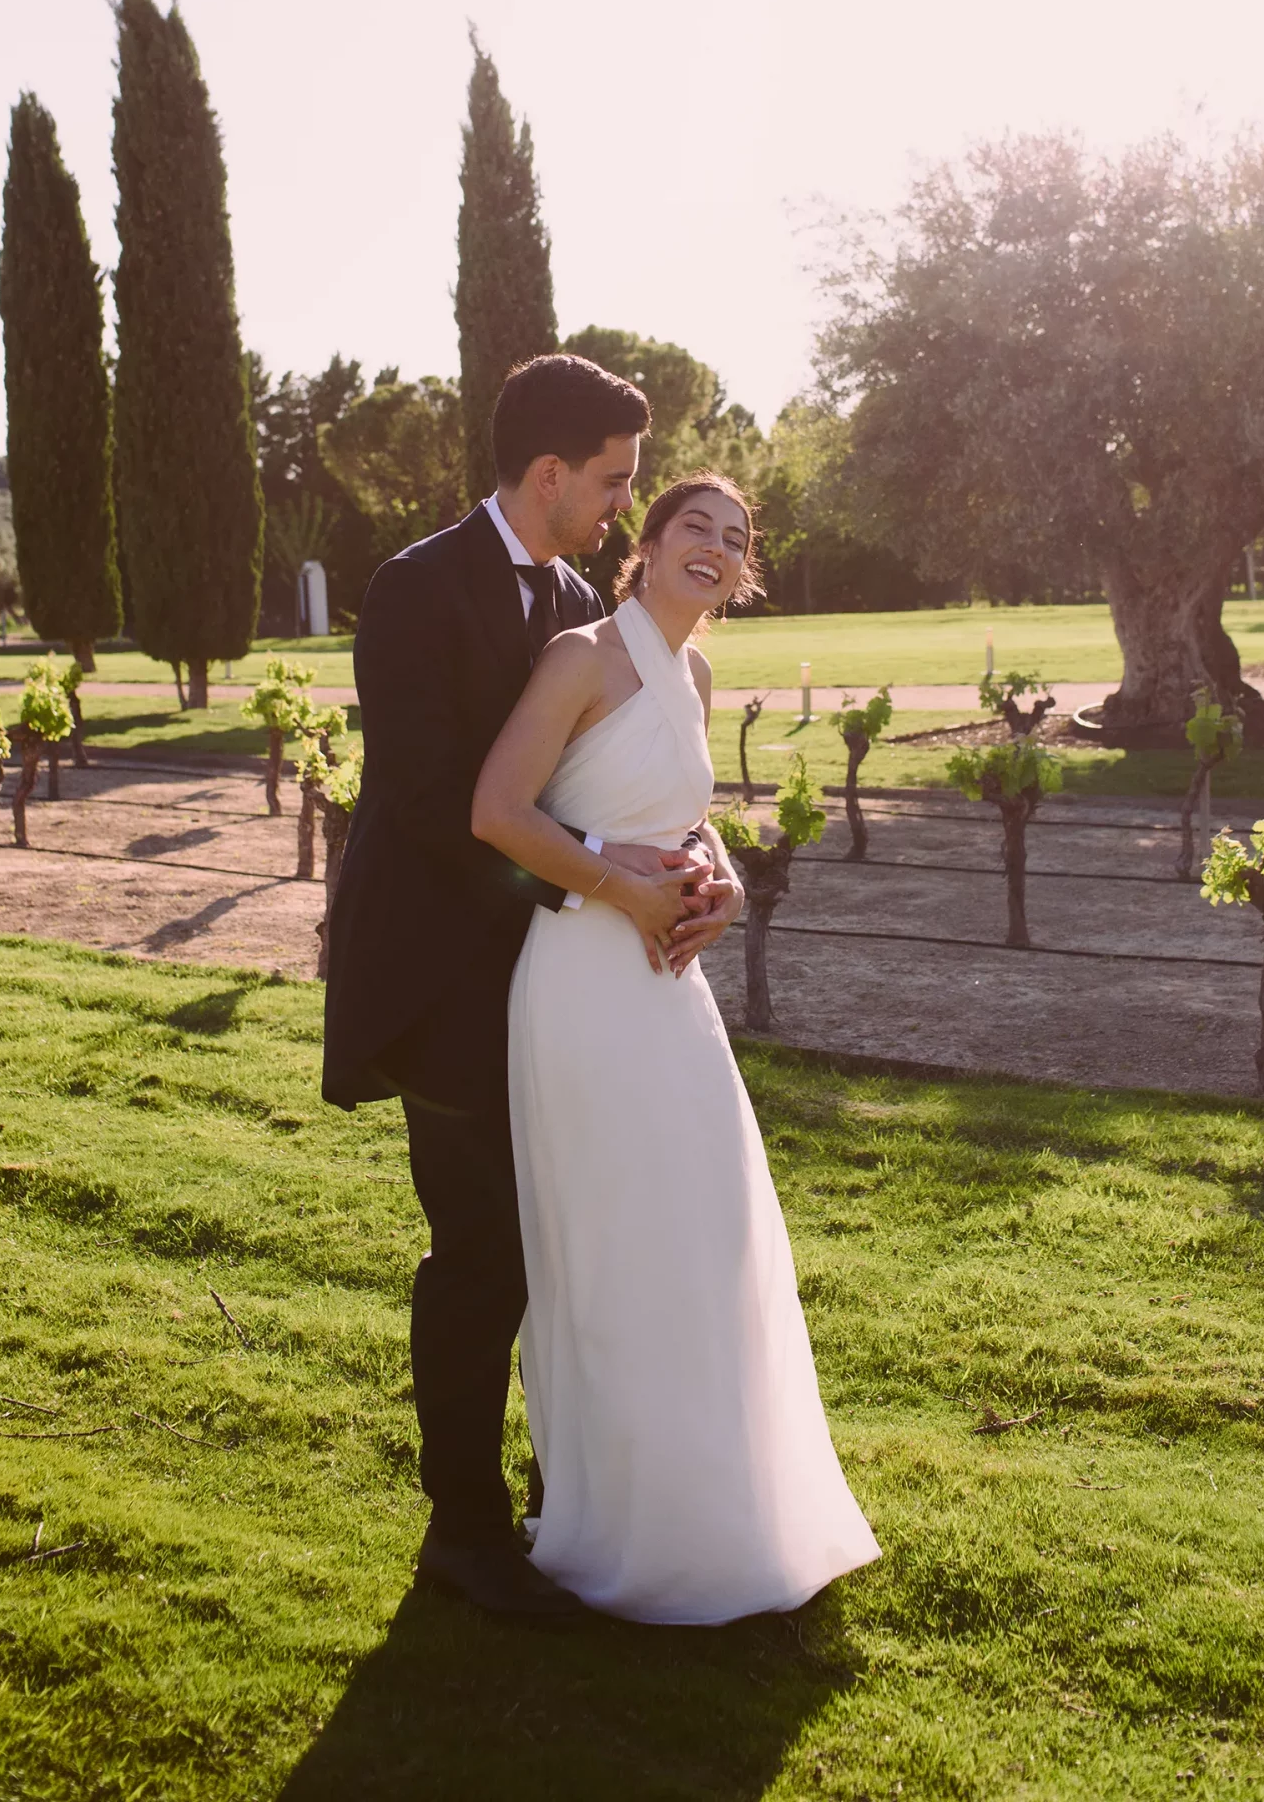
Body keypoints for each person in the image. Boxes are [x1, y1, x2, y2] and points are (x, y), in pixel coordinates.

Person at [321, 355, 742, 1623]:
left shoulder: (574, 603)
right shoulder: (413, 588)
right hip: (442, 983)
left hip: (564, 989)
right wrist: (602, 886)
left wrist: (693, 867)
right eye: (613, 482)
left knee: (576, 1244)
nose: (622, 505)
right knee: (483, 1253)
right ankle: (462, 1526)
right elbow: (434, 805)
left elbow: (609, 782)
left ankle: (581, 1500)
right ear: (549, 472)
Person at [472, 472, 881, 1623]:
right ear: (645, 546)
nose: (714, 544)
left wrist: (724, 884)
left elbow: (685, 822)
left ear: (741, 575)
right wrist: (621, 887)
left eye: (733, 538)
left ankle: (718, 1508)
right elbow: (498, 812)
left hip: (669, 986)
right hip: (580, 981)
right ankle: (621, 1521)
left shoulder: (695, 674)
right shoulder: (578, 657)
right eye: (692, 525)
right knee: (613, 1243)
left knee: (705, 1233)